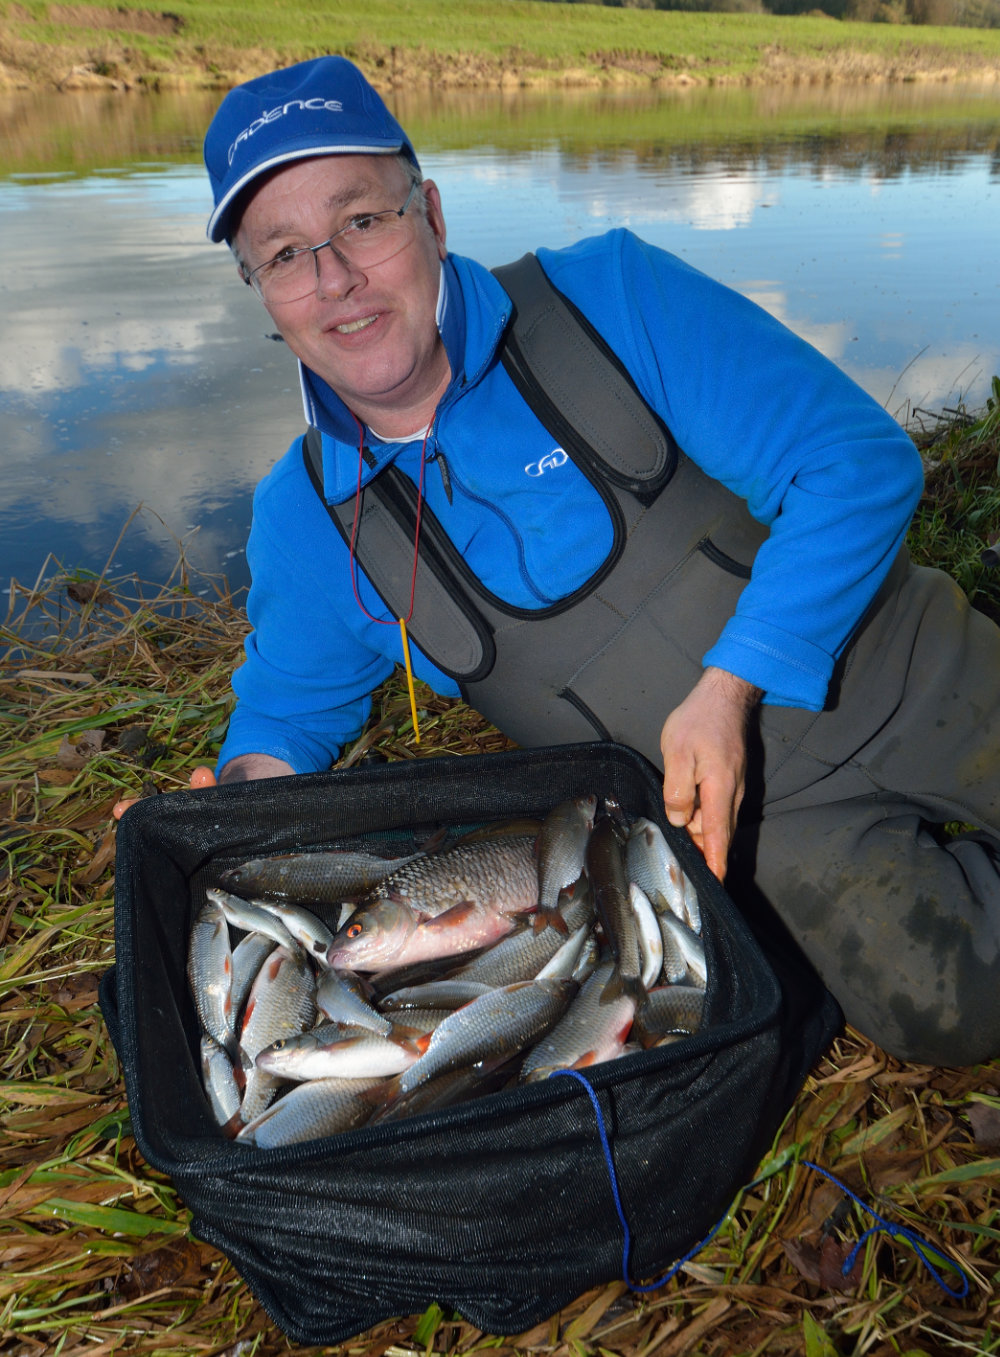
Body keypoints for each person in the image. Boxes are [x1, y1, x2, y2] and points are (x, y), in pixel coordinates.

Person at [120, 55, 1000, 1068]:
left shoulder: (609, 301)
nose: (333, 281)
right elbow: (288, 715)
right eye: (282, 253)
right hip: (757, 834)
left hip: (911, 674)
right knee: (954, 1015)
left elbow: (855, 462)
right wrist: (221, 808)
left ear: (432, 216)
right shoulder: (310, 519)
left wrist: (731, 683)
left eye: (361, 221)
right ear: (260, 291)